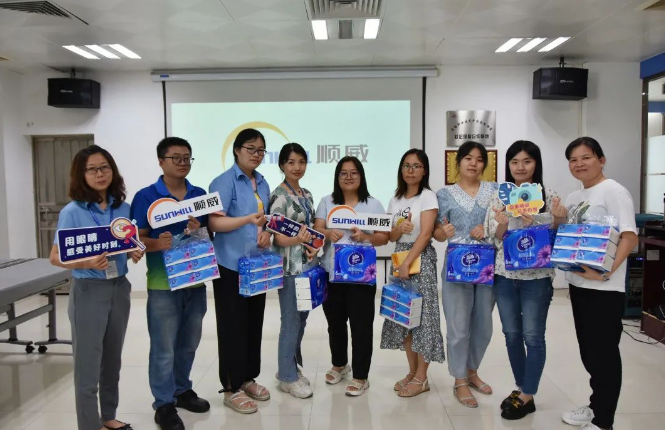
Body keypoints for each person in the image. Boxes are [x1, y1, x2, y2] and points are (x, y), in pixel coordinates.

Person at [50, 145, 144, 430]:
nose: (100, 173)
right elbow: (55, 257)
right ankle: (90, 424)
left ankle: (108, 416)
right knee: (88, 363)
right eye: (92, 169)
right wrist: (86, 261)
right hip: (88, 290)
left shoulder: (123, 208)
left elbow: (127, 242)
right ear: (81, 174)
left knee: (112, 359)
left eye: (104, 167)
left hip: (119, 287)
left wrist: (134, 250)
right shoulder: (72, 212)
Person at [130, 137, 210, 430]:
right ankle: (163, 404)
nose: (182, 163)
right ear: (161, 161)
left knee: (188, 344)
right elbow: (135, 239)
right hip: (163, 284)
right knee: (164, 348)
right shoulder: (146, 196)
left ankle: (182, 389)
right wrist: (156, 243)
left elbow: (207, 237)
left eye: (187, 157)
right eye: (176, 157)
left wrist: (198, 230)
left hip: (195, 280)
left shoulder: (199, 195)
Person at [484, 140, 568, 420]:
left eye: (527, 161)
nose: (520, 167)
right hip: (505, 275)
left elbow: (559, 235)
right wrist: (502, 224)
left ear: (536, 164)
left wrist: (552, 221)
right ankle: (523, 389)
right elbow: (493, 236)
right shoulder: (499, 196)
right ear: (507, 165)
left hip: (537, 277)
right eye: (514, 162)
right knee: (511, 335)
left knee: (533, 336)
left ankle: (527, 393)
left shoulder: (548, 194)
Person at [560, 137, 638, 430]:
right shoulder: (574, 197)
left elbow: (630, 236)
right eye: (573, 160)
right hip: (579, 284)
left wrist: (605, 273)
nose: (579, 164)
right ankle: (596, 406)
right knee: (589, 352)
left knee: (604, 354)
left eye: (586, 157)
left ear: (601, 160)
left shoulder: (614, 191)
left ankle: (604, 420)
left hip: (605, 288)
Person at [208, 128, 273, 414]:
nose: (256, 154)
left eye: (261, 150)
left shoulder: (263, 182)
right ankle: (230, 387)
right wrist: (246, 219)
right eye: (251, 148)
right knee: (232, 325)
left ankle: (247, 378)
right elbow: (214, 223)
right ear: (237, 150)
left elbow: (265, 220)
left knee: (253, 324)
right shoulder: (224, 182)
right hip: (230, 265)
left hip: (256, 265)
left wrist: (266, 232)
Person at [314, 156, 389, 397]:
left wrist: (365, 237)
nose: (348, 177)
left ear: (361, 176)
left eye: (354, 172)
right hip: (332, 273)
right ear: (337, 177)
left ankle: (360, 376)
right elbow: (317, 229)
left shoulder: (373, 204)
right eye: (343, 173)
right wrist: (328, 233)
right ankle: (339, 364)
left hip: (361, 276)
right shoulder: (327, 201)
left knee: (361, 326)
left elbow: (384, 237)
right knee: (335, 323)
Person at [433, 141, 498, 408]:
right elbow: (436, 232)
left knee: (483, 324)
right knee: (458, 326)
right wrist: (443, 233)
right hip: (456, 267)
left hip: (486, 266)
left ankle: (472, 370)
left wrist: (488, 228)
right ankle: (459, 379)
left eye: (479, 159)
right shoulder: (444, 194)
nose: (474, 163)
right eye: (468, 158)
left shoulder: (495, 191)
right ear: (458, 162)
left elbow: (502, 224)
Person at [380, 149, 445, 397]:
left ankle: (422, 377)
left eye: (416, 166)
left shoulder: (427, 196)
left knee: (423, 318)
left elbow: (426, 234)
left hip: (420, 259)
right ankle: (412, 371)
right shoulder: (395, 199)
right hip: (400, 257)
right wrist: (399, 228)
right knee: (405, 317)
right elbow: (391, 236)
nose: (411, 170)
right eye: (407, 166)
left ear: (424, 170)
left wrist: (408, 262)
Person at [268, 143, 318, 399]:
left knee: (302, 319)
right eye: (291, 162)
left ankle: (290, 368)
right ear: (282, 165)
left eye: (301, 162)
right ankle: (287, 378)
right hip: (289, 269)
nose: (297, 167)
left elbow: (311, 231)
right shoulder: (279, 196)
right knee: (290, 321)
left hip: (307, 267)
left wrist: (312, 248)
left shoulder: (306, 194)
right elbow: (276, 238)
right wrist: (299, 240)